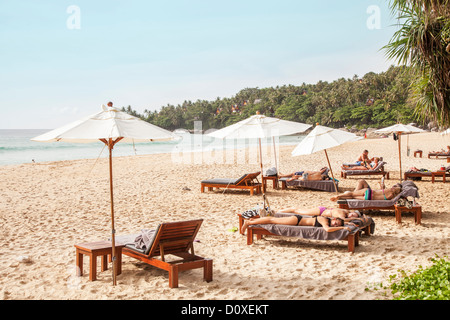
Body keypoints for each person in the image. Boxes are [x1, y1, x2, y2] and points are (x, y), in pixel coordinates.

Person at [240, 215, 354, 235]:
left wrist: (349, 223)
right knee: (272, 220)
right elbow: (328, 230)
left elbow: (333, 227)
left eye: (336, 225)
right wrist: (343, 227)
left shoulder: (328, 220)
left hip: (297, 220)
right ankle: (249, 222)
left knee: (272, 219)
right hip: (296, 221)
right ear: (333, 219)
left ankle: (252, 221)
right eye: (336, 223)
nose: (335, 225)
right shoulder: (325, 220)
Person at [330, 178, 402, 201]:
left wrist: (381, 184)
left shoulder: (388, 189)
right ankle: (340, 197)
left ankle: (339, 196)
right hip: (369, 197)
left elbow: (381, 190)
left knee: (352, 193)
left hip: (369, 191)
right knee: (352, 196)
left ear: (394, 188)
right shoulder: (391, 196)